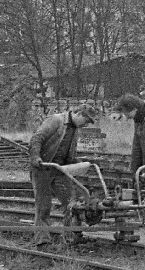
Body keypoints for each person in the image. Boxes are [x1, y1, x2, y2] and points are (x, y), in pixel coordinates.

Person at [27, 104, 96, 245]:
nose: (86, 124)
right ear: (78, 114)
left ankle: (72, 236)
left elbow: (66, 151)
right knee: (43, 206)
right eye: (86, 120)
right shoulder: (56, 120)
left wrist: (76, 161)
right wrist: (35, 157)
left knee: (71, 204)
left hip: (60, 170)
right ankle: (42, 240)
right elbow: (37, 138)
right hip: (43, 167)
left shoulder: (74, 129)